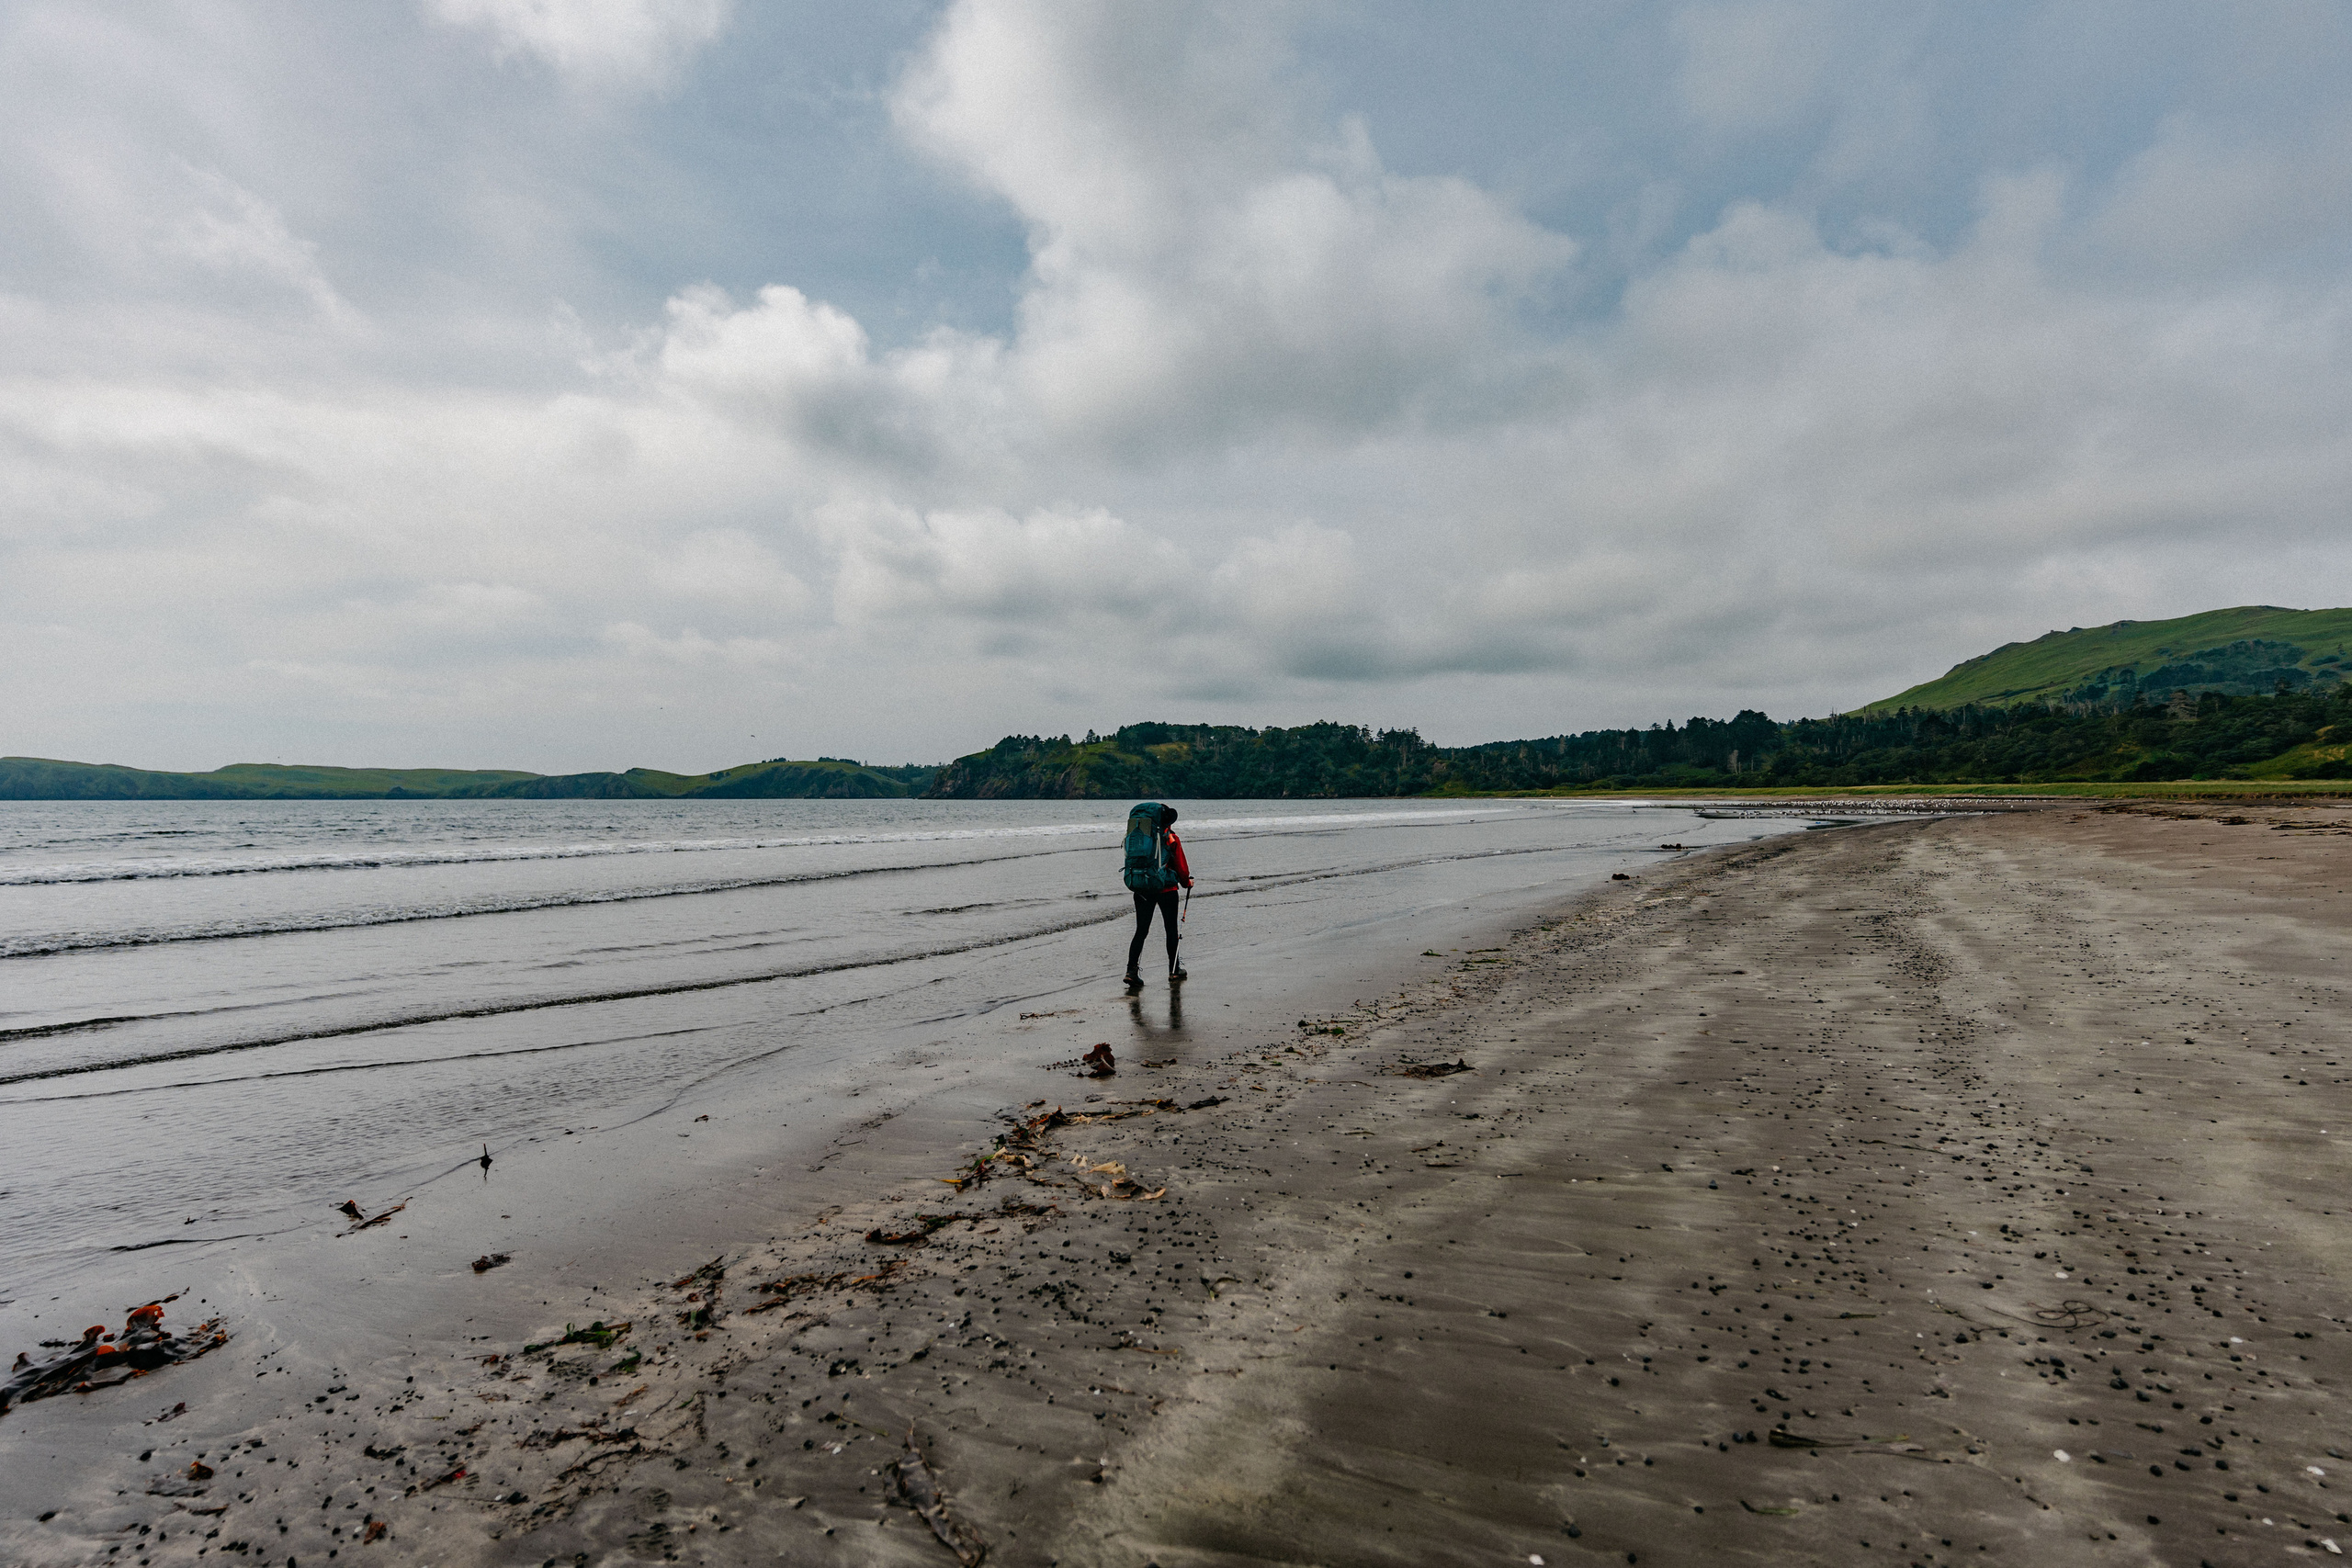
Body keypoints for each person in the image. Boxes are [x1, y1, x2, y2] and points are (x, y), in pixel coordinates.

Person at [1124, 806, 1192, 987]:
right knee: (1170, 930)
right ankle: (1174, 971)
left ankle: (1131, 971)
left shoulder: (1138, 838)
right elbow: (1182, 868)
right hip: (1166, 890)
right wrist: (1186, 883)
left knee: (1141, 931)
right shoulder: (1170, 838)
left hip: (1141, 888)